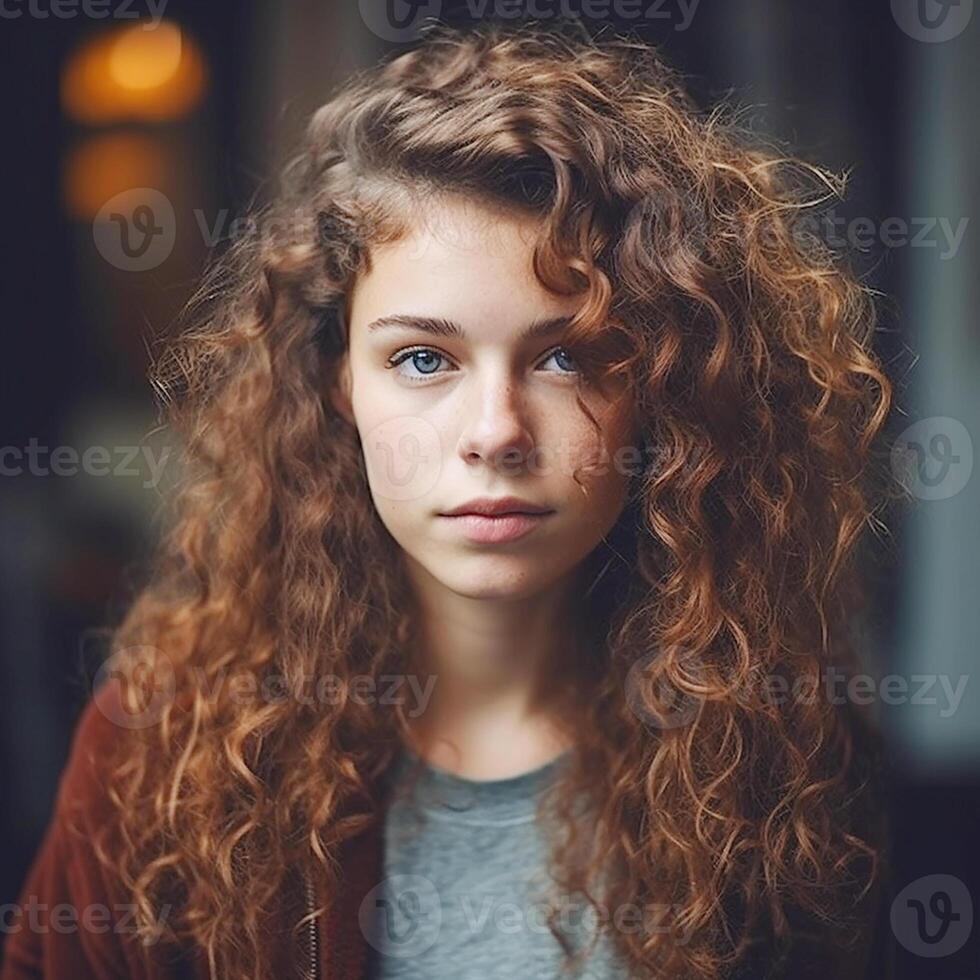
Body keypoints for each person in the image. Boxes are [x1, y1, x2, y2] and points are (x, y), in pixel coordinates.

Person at [1, 17, 898, 980]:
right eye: (423, 358)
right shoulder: (160, 748)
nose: (495, 431)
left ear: (661, 389)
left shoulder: (785, 744)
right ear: (339, 382)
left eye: (565, 357)